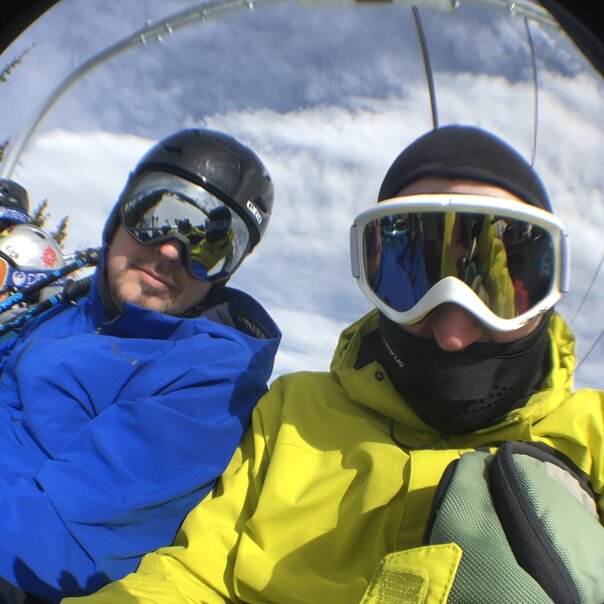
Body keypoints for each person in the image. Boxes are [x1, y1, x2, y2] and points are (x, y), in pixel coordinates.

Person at [67, 125, 603, 604]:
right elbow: (194, 577)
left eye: (498, 284)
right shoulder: (293, 411)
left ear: (548, 283)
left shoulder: (592, 437)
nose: (452, 333)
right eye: (410, 276)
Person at [0, 128, 280, 602]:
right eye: (156, 215)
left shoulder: (211, 378)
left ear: (225, 274)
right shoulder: (66, 308)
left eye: (210, 246)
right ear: (120, 213)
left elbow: (63, 539)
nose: (171, 250)